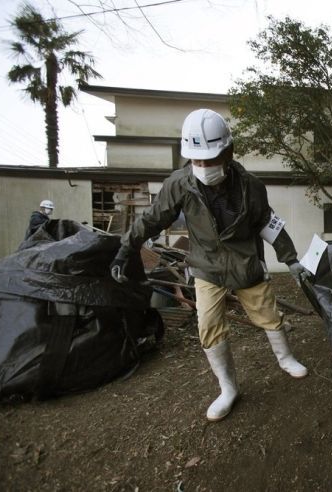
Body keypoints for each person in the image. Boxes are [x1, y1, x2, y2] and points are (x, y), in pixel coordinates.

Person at [110, 109, 309, 422]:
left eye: (211, 159)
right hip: (206, 266)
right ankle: (228, 388)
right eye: (196, 160)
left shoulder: (251, 186)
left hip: (245, 263)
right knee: (209, 326)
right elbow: (152, 219)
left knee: (268, 313)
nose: (203, 167)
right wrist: (126, 249)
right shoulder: (179, 184)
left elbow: (268, 223)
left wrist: (292, 259)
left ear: (228, 152)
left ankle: (286, 359)